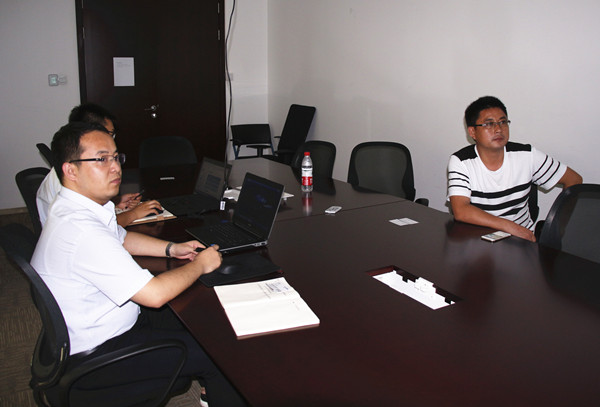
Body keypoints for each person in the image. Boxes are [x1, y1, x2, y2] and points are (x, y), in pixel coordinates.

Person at [30, 121, 247, 406]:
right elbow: (154, 295)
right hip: (100, 356)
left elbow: (121, 238)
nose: (115, 167)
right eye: (101, 159)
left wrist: (172, 249)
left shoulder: (75, 207)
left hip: (103, 326)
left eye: (116, 157)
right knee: (221, 354)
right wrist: (201, 264)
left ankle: (211, 392)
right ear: (70, 170)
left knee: (199, 315)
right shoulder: (82, 231)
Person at [447, 96, 582, 242]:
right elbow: (461, 210)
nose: (498, 129)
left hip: (521, 241)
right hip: (478, 239)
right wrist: (510, 227)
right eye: (489, 124)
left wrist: (560, 226)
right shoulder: (461, 161)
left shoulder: (527, 155)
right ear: (472, 132)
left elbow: (574, 180)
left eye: (503, 122)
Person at [36, 103, 162, 227]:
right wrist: (134, 214)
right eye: (109, 134)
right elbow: (103, 226)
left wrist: (115, 202)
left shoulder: (72, 166)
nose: (116, 168)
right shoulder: (68, 178)